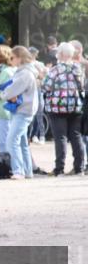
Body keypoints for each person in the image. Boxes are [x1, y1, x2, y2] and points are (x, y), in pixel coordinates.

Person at [42, 42, 85, 176]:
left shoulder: (55, 69)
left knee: (60, 138)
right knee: (76, 137)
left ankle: (59, 168)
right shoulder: (78, 69)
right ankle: (79, 168)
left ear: (60, 54)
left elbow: (45, 87)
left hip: (57, 108)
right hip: (75, 107)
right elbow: (82, 86)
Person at [1, 46, 40, 180]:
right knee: (22, 142)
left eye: (12, 57)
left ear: (19, 58)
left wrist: (3, 94)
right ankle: (27, 171)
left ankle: (18, 170)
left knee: (12, 140)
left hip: (23, 110)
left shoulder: (24, 73)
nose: (10, 60)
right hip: (24, 109)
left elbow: (11, 90)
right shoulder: (25, 72)